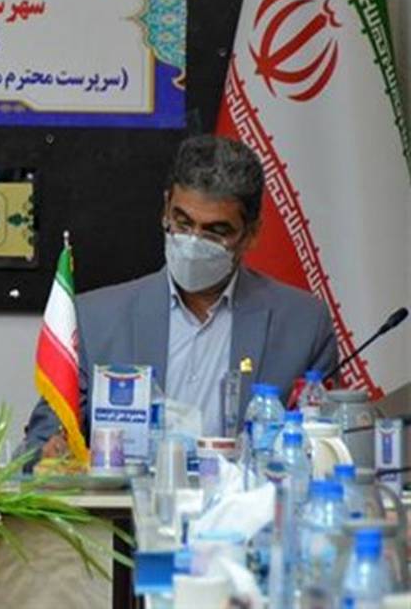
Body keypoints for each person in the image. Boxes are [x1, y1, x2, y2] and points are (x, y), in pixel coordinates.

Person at [23, 134, 337, 455]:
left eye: (216, 231)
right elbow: (38, 443)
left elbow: (324, 450)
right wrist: (50, 451)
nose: (193, 241)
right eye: (182, 222)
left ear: (251, 234)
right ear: (165, 210)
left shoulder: (304, 326)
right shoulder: (96, 321)